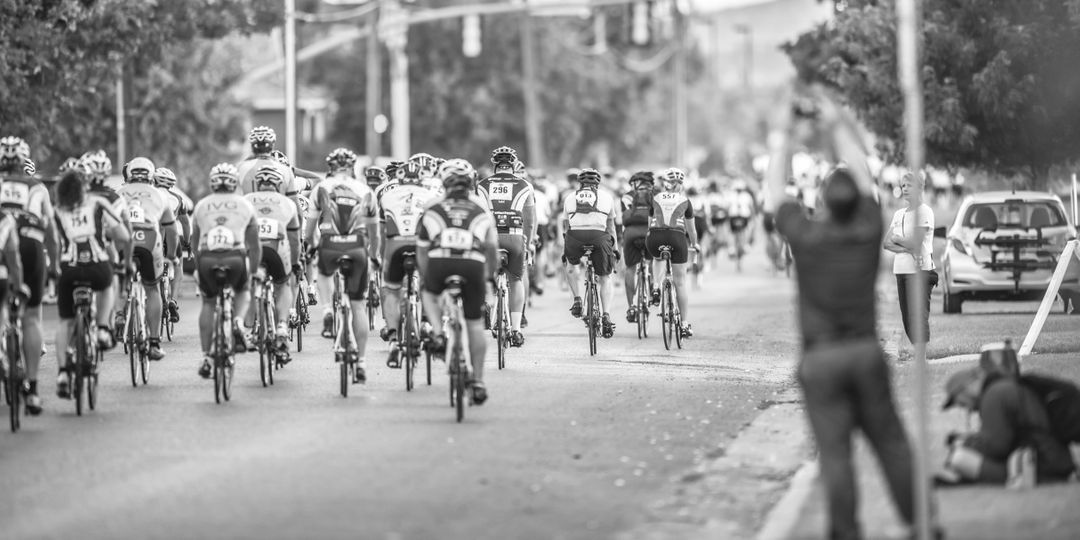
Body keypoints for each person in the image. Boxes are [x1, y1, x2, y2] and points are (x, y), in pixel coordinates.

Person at [764, 87, 938, 540]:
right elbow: (865, 179)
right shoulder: (867, 229)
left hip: (821, 359)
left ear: (821, 204)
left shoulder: (805, 235)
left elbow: (774, 195)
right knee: (892, 444)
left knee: (835, 455)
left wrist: (783, 134)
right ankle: (922, 524)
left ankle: (846, 533)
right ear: (857, 207)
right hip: (864, 352)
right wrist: (837, 122)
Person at [417, 159, 498, 405]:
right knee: (474, 324)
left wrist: (425, 276)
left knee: (428, 293)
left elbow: (421, 249)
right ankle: (479, 382)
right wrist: (489, 277)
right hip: (472, 265)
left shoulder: (433, 206)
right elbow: (492, 248)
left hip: (440, 263)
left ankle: (439, 334)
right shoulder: (480, 208)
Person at [938, 344, 1076, 485]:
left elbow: (996, 447)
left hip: (1041, 466)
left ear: (969, 386)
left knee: (959, 458)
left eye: (959, 400)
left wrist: (967, 443)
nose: (963, 407)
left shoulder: (994, 395)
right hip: (1050, 460)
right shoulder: (1002, 388)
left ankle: (1020, 479)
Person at [51, 171, 131, 399]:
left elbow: (54, 243)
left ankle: (64, 373)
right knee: (108, 285)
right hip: (97, 267)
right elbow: (123, 236)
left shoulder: (58, 210)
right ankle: (104, 329)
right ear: (84, 188)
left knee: (65, 321)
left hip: (68, 269)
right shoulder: (98, 202)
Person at [304, 148, 377, 383]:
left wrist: (309, 246)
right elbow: (374, 233)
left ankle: (327, 310)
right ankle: (362, 362)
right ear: (352, 167)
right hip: (357, 248)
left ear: (331, 167)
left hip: (330, 245)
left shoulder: (322, 188)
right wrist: (374, 255)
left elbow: (310, 228)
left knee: (324, 273)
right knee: (358, 306)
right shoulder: (365, 189)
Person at [0, 136, 60, 415]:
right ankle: (34, 391)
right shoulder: (37, 188)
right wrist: (55, 265)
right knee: (32, 316)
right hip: (30, 245)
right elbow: (51, 232)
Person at [191, 164, 261, 379]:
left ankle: (206, 357)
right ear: (235, 182)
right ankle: (239, 322)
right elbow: (255, 245)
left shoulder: (201, 205)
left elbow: (194, 243)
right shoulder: (245, 205)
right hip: (235, 257)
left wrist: (198, 265)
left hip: (207, 257)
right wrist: (254, 272)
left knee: (209, 302)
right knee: (243, 291)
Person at [116, 157, 179, 361]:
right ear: (151, 176)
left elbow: (105, 222)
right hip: (149, 241)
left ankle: (118, 315)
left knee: (121, 279)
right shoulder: (159, 195)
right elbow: (171, 228)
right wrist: (170, 257)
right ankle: (153, 342)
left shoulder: (118, 193)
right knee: (152, 288)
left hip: (123, 241)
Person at [378, 161, 438, 367]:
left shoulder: (386, 195)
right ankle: (426, 323)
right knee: (430, 286)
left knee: (391, 289)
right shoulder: (431, 196)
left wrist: (378, 256)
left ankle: (394, 339)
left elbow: (381, 230)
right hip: (421, 246)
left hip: (395, 245)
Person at [476, 146, 536, 347]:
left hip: (490, 237)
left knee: (483, 274)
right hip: (515, 237)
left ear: (495, 165)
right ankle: (517, 329)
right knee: (516, 280)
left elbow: (476, 215)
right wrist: (529, 242)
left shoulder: (482, 185)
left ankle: (486, 306)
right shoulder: (525, 185)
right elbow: (529, 220)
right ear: (513, 164)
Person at [244, 165, 302, 365]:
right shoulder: (288, 203)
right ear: (279, 185)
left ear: (257, 184)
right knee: (282, 285)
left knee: (250, 284)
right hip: (278, 249)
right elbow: (294, 239)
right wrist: (295, 264)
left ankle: (249, 329)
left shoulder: (246, 201)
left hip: (253, 250)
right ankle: (282, 327)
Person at [561, 167, 618, 338]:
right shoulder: (607, 197)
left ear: (580, 183)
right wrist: (614, 250)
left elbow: (566, 225)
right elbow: (611, 227)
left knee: (571, 266)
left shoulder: (569, 197)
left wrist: (568, 245)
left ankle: (578, 299)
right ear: (597, 183)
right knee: (606, 277)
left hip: (575, 237)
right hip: (599, 237)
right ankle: (606, 315)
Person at [646, 167, 699, 338]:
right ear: (681, 185)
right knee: (681, 282)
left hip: (655, 238)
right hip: (677, 239)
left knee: (657, 256)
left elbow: (650, 225)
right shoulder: (685, 201)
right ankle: (684, 325)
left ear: (665, 184)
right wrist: (695, 244)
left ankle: (655, 286)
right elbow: (691, 230)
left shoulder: (655, 198)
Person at [885, 171, 936, 346]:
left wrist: (899, 240)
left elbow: (916, 242)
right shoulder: (898, 214)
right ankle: (918, 352)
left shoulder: (925, 211)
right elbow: (886, 243)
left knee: (918, 315)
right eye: (903, 185)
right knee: (907, 317)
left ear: (920, 187)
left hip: (919, 271)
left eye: (909, 185)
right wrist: (906, 247)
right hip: (901, 270)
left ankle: (922, 356)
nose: (905, 189)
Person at [152, 167, 190, 325]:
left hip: (152, 238)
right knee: (178, 264)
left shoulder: (150, 194)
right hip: (171, 239)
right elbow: (186, 223)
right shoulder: (178, 199)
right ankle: (173, 299)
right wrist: (187, 243)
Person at [619, 171, 657, 323]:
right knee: (654, 259)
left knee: (630, 269)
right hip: (650, 233)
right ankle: (654, 286)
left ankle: (632, 306)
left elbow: (624, 217)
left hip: (630, 234)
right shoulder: (656, 195)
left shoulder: (626, 197)